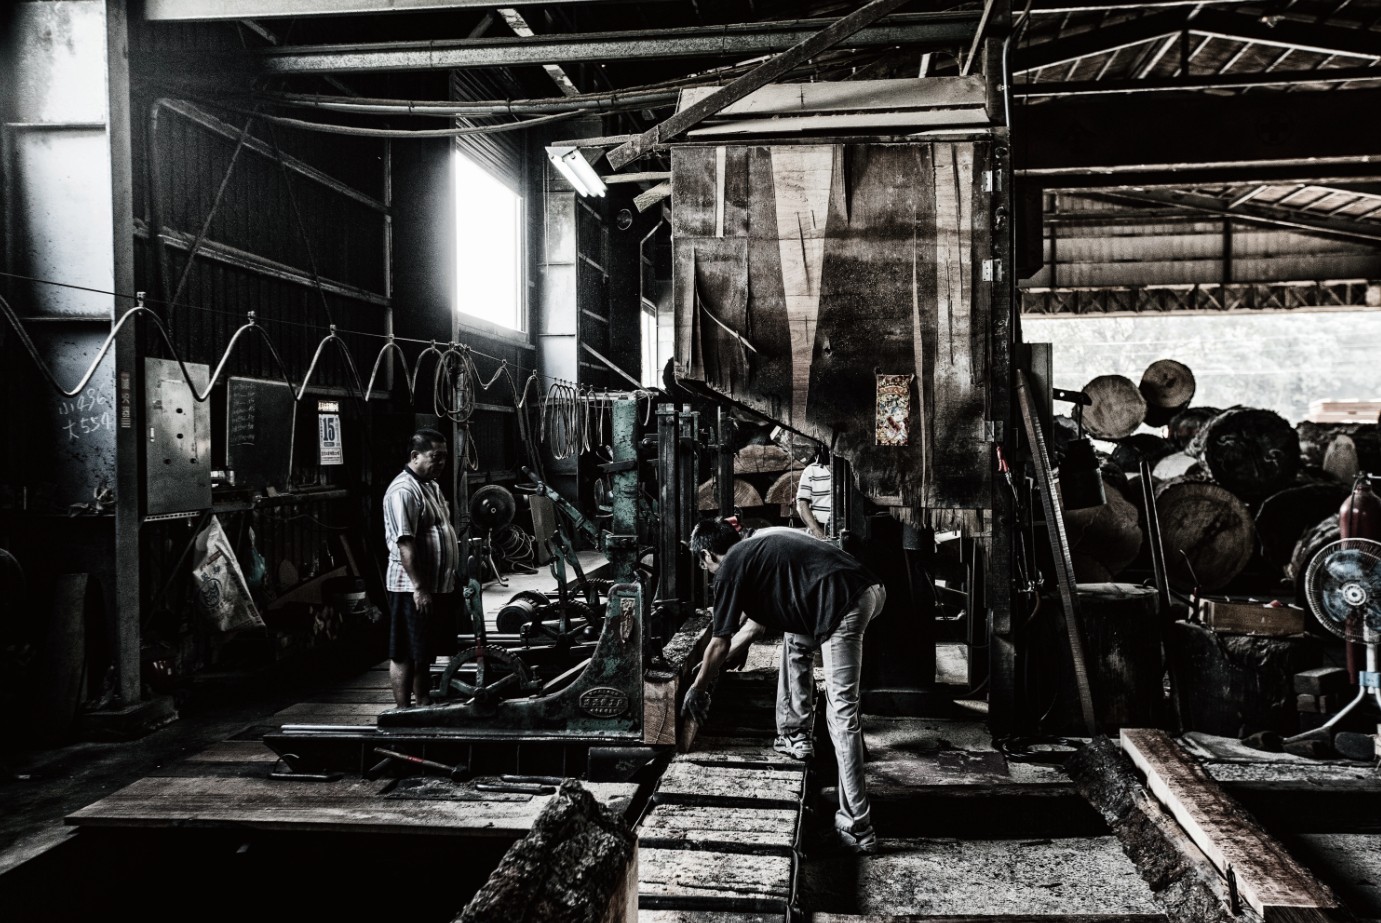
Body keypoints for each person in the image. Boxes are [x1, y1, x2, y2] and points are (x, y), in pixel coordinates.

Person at [683, 520, 887, 853]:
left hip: (844, 602)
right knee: (795, 638)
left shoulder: (731, 565)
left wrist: (698, 687)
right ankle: (795, 735)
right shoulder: (759, 547)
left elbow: (720, 643)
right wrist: (706, 670)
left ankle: (858, 828)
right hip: (865, 588)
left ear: (706, 554)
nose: (707, 572)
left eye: (703, 564)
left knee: (841, 712)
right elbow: (752, 630)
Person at [382, 428, 463, 708]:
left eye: (444, 457)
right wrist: (419, 588)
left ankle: (424, 702)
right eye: (435, 457)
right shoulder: (404, 490)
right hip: (411, 587)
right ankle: (403, 710)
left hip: (435, 585)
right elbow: (406, 544)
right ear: (415, 456)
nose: (441, 463)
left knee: (424, 650)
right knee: (404, 651)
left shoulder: (431, 486)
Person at [795, 452, 833, 539]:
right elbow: (802, 504)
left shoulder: (849, 470)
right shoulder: (810, 471)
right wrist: (816, 530)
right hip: (819, 527)